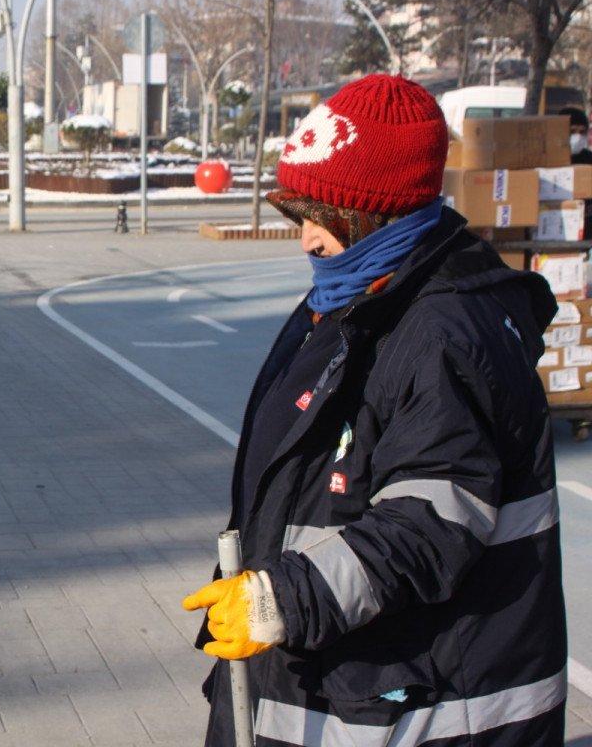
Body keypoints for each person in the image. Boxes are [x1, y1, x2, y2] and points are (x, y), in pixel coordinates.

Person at [184, 75, 566, 746]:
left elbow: (432, 519)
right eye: (296, 214)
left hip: (420, 707)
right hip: (350, 680)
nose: (305, 240)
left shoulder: (442, 330)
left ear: (380, 213)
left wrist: (284, 600)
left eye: (322, 216)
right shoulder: (358, 297)